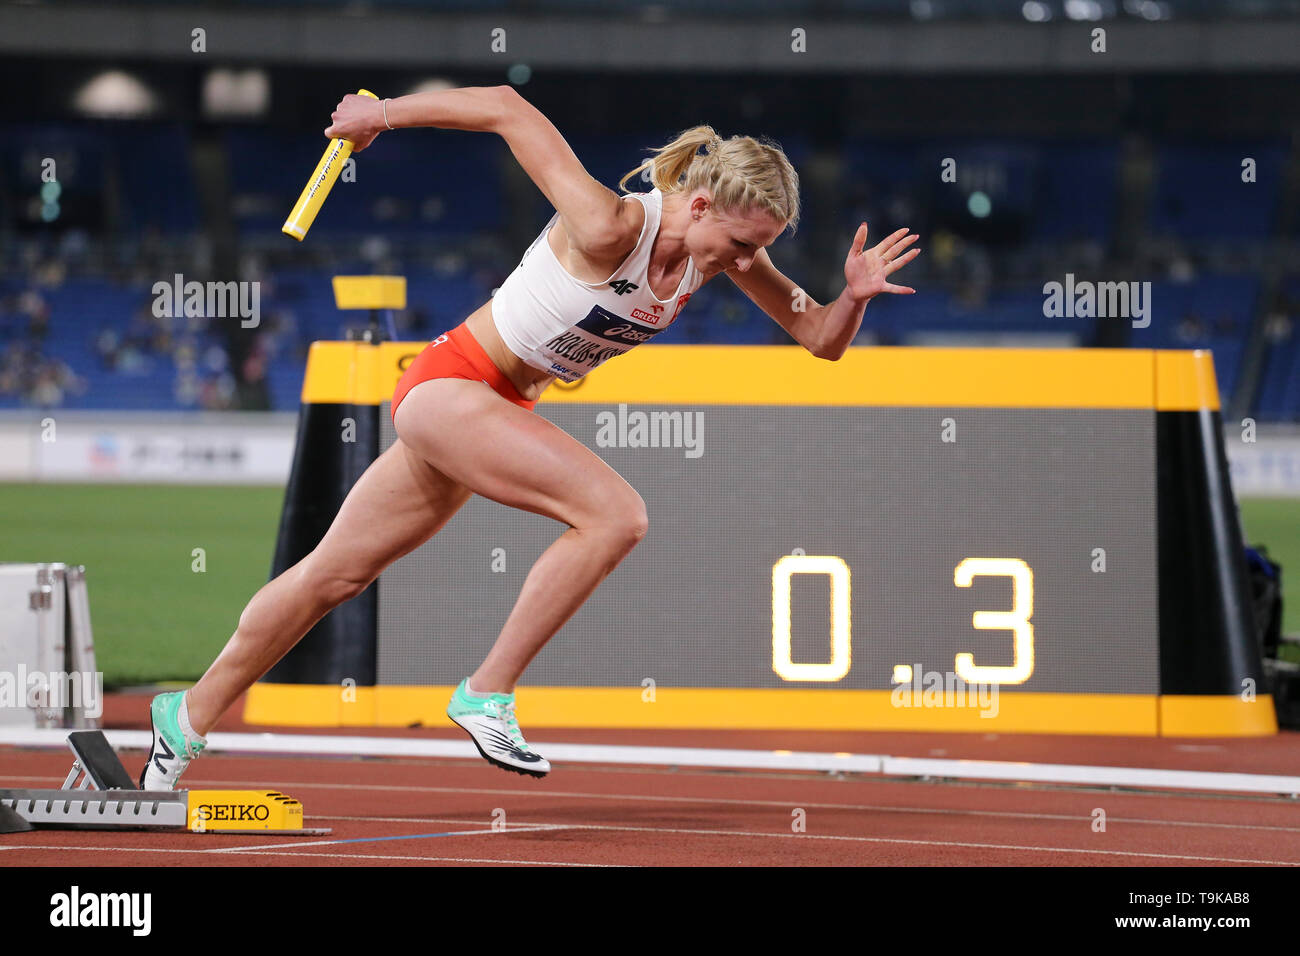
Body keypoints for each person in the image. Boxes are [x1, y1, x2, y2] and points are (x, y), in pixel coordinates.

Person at [139, 85, 920, 789]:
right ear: (704, 205)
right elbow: (508, 107)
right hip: (453, 387)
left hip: (485, 405)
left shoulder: (716, 257)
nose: (751, 263)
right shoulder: (612, 224)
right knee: (616, 515)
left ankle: (186, 716)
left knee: (332, 577)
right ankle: (486, 692)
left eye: (761, 249)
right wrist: (381, 117)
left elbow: (819, 338)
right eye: (744, 245)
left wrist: (850, 298)